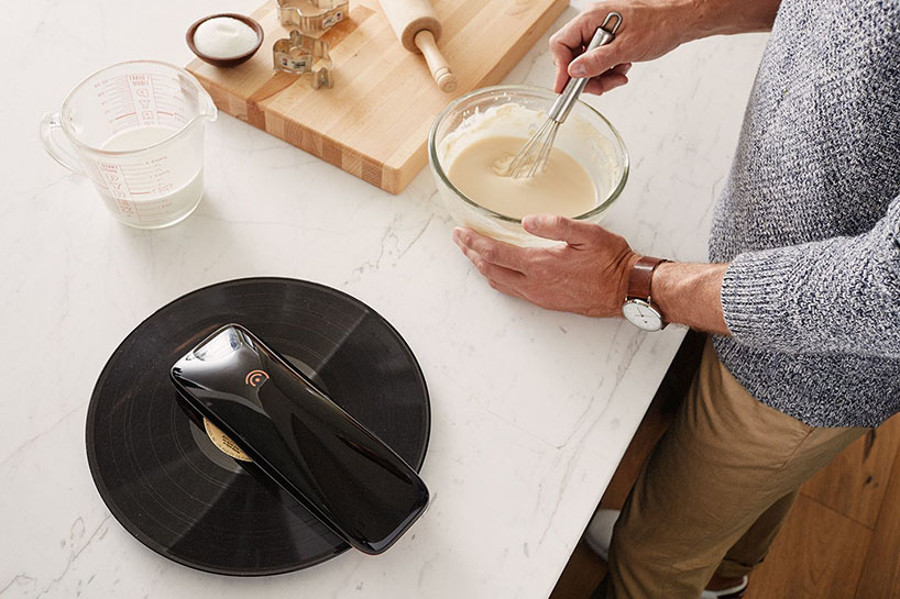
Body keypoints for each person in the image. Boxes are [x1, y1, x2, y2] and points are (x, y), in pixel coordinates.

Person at [451, 0, 900, 597]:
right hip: (752, 286)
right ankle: (724, 573)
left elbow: (883, 295)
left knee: (652, 556)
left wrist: (631, 282)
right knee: (752, 491)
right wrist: (685, 16)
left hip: (813, 359)